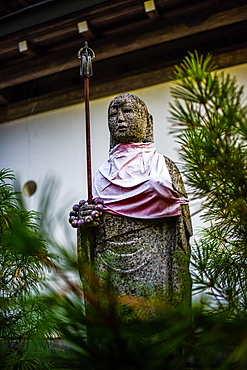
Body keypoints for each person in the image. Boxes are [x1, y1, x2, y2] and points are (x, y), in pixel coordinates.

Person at [73, 93, 192, 305]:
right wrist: (86, 223)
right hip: (108, 262)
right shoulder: (101, 175)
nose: (119, 119)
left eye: (127, 111)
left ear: (147, 121)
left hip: (155, 260)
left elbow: (181, 226)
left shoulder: (163, 167)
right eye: (113, 114)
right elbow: (94, 228)